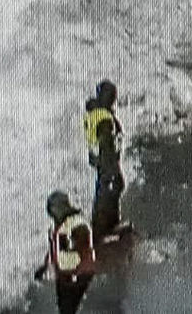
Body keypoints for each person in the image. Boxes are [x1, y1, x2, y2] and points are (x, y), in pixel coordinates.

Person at [33, 191, 97, 314]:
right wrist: (44, 267)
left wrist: (78, 271)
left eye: (53, 209)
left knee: (68, 309)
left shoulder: (77, 222)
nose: (51, 213)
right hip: (64, 276)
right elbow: (54, 250)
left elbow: (85, 250)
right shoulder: (57, 226)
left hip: (77, 276)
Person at [83, 80, 127, 240]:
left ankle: (105, 227)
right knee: (109, 193)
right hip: (107, 164)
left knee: (104, 192)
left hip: (100, 163)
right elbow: (106, 145)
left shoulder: (94, 113)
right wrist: (114, 169)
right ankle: (104, 230)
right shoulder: (104, 118)